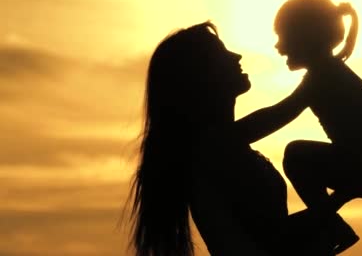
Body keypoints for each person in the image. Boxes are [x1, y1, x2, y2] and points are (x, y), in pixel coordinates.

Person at [126, 21, 334, 256]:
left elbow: (271, 235)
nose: (236, 56)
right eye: (221, 53)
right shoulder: (213, 151)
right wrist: (317, 79)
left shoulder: (224, 147)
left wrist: (335, 203)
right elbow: (280, 113)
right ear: (201, 76)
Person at [235, 0, 362, 254]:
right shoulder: (328, 72)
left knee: (296, 154)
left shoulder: (324, 76)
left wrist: (227, 135)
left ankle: (329, 222)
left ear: (306, 37)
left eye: (284, 37)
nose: (279, 47)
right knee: (300, 157)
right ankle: (329, 221)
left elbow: (278, 114)